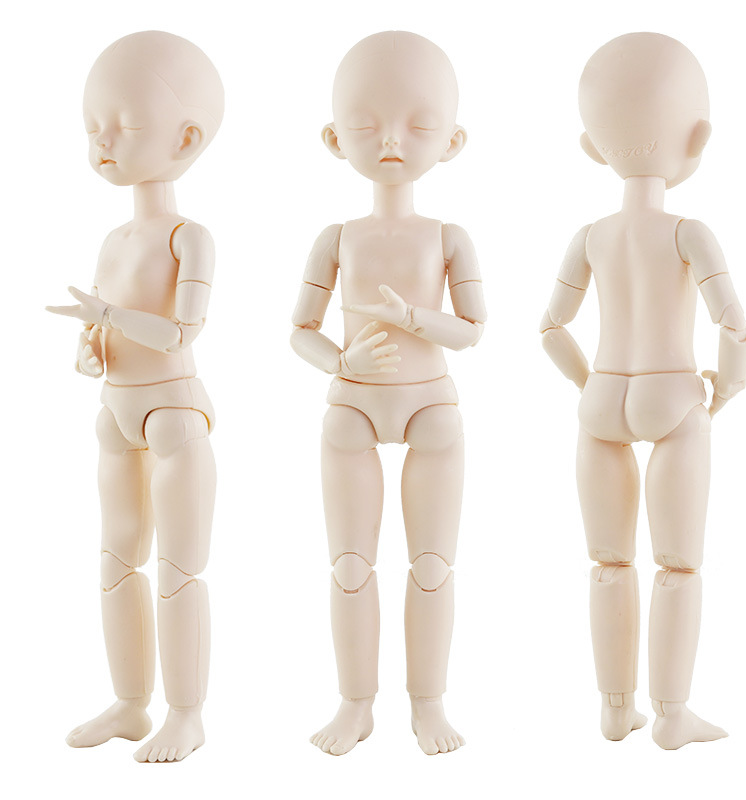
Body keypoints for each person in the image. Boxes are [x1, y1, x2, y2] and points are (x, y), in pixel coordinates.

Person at [540, 32, 746, 749]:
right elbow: (734, 323)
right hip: (673, 397)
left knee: (608, 564)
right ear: (698, 138)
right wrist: (728, 387)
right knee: (678, 565)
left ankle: (614, 708)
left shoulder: (591, 235)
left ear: (593, 147)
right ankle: (670, 715)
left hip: (602, 399)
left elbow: (550, 328)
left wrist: (589, 385)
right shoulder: (689, 231)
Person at [291, 31, 486, 756]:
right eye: (366, 125)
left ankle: (428, 705)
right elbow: (299, 330)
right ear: (334, 138)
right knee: (350, 566)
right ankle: (355, 705)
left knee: (432, 566)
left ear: (453, 140)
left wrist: (413, 319)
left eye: (420, 124)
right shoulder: (336, 237)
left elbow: (473, 330)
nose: (393, 140)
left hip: (431, 406)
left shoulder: (449, 237)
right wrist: (339, 361)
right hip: (352, 407)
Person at [47, 30, 224, 763]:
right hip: (115, 415)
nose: (103, 141)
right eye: (94, 126)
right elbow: (102, 327)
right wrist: (90, 347)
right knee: (117, 560)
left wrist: (110, 317)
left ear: (186, 138)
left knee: (179, 566)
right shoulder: (114, 240)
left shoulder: (190, 237)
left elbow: (182, 330)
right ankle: (129, 702)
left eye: (123, 124)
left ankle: (186, 714)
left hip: (173, 412)